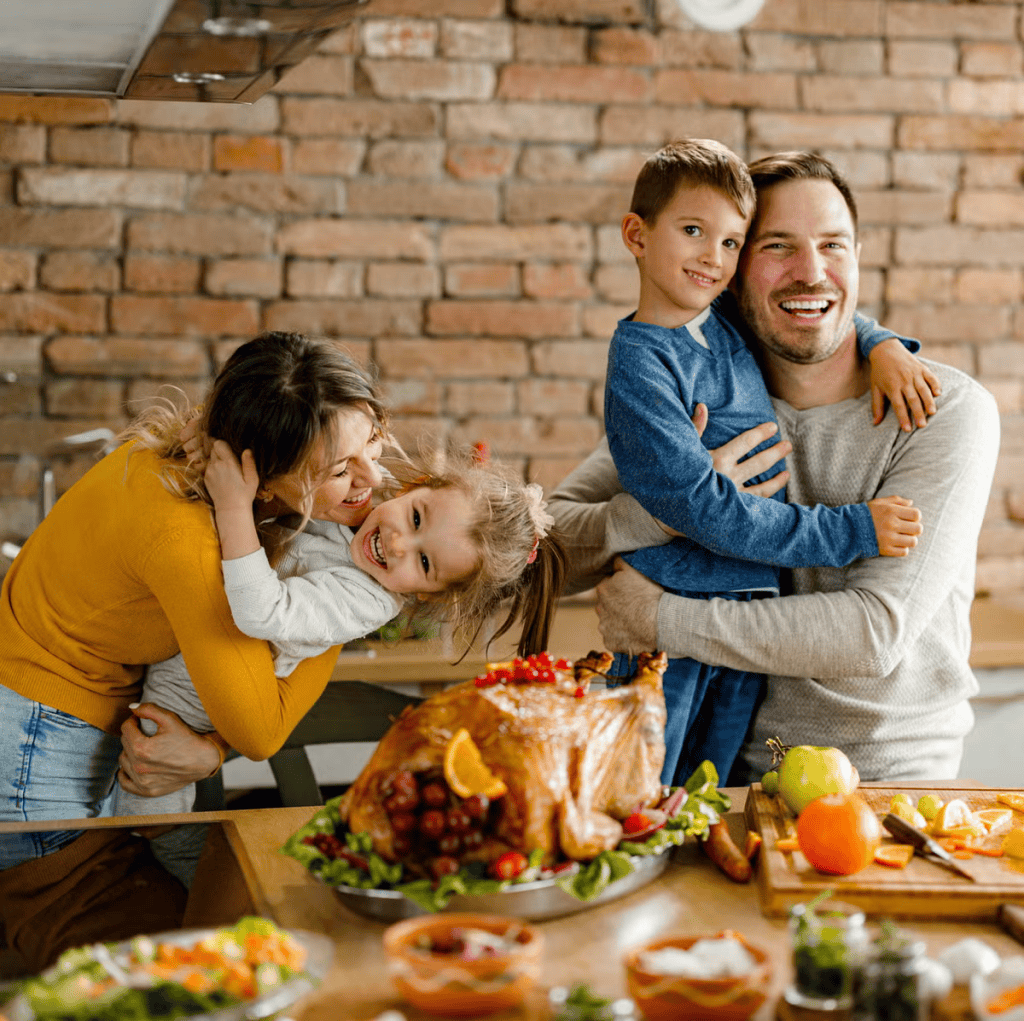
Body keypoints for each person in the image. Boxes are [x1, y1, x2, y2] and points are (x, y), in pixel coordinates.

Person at [549, 151, 1001, 786]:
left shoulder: (942, 410)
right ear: (731, 273)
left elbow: (873, 633)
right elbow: (550, 549)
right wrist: (678, 508)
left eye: (833, 245)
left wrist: (662, 620)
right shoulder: (704, 392)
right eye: (778, 247)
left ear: (858, 256)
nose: (811, 271)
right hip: (721, 773)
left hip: (885, 783)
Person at [0, 331, 394, 877]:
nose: (372, 477)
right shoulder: (191, 540)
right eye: (336, 470)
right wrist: (364, 595)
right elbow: (261, 730)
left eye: (373, 439)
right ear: (261, 482)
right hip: (36, 745)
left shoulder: (180, 464)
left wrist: (208, 751)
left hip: (57, 719)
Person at [111, 438, 566, 885]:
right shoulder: (356, 505)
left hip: (188, 703)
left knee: (149, 831)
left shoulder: (368, 597)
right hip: (165, 660)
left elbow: (262, 611)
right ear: (415, 486)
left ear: (430, 594)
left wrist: (232, 507)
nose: (398, 542)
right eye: (414, 516)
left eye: (425, 562)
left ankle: (211, 911)